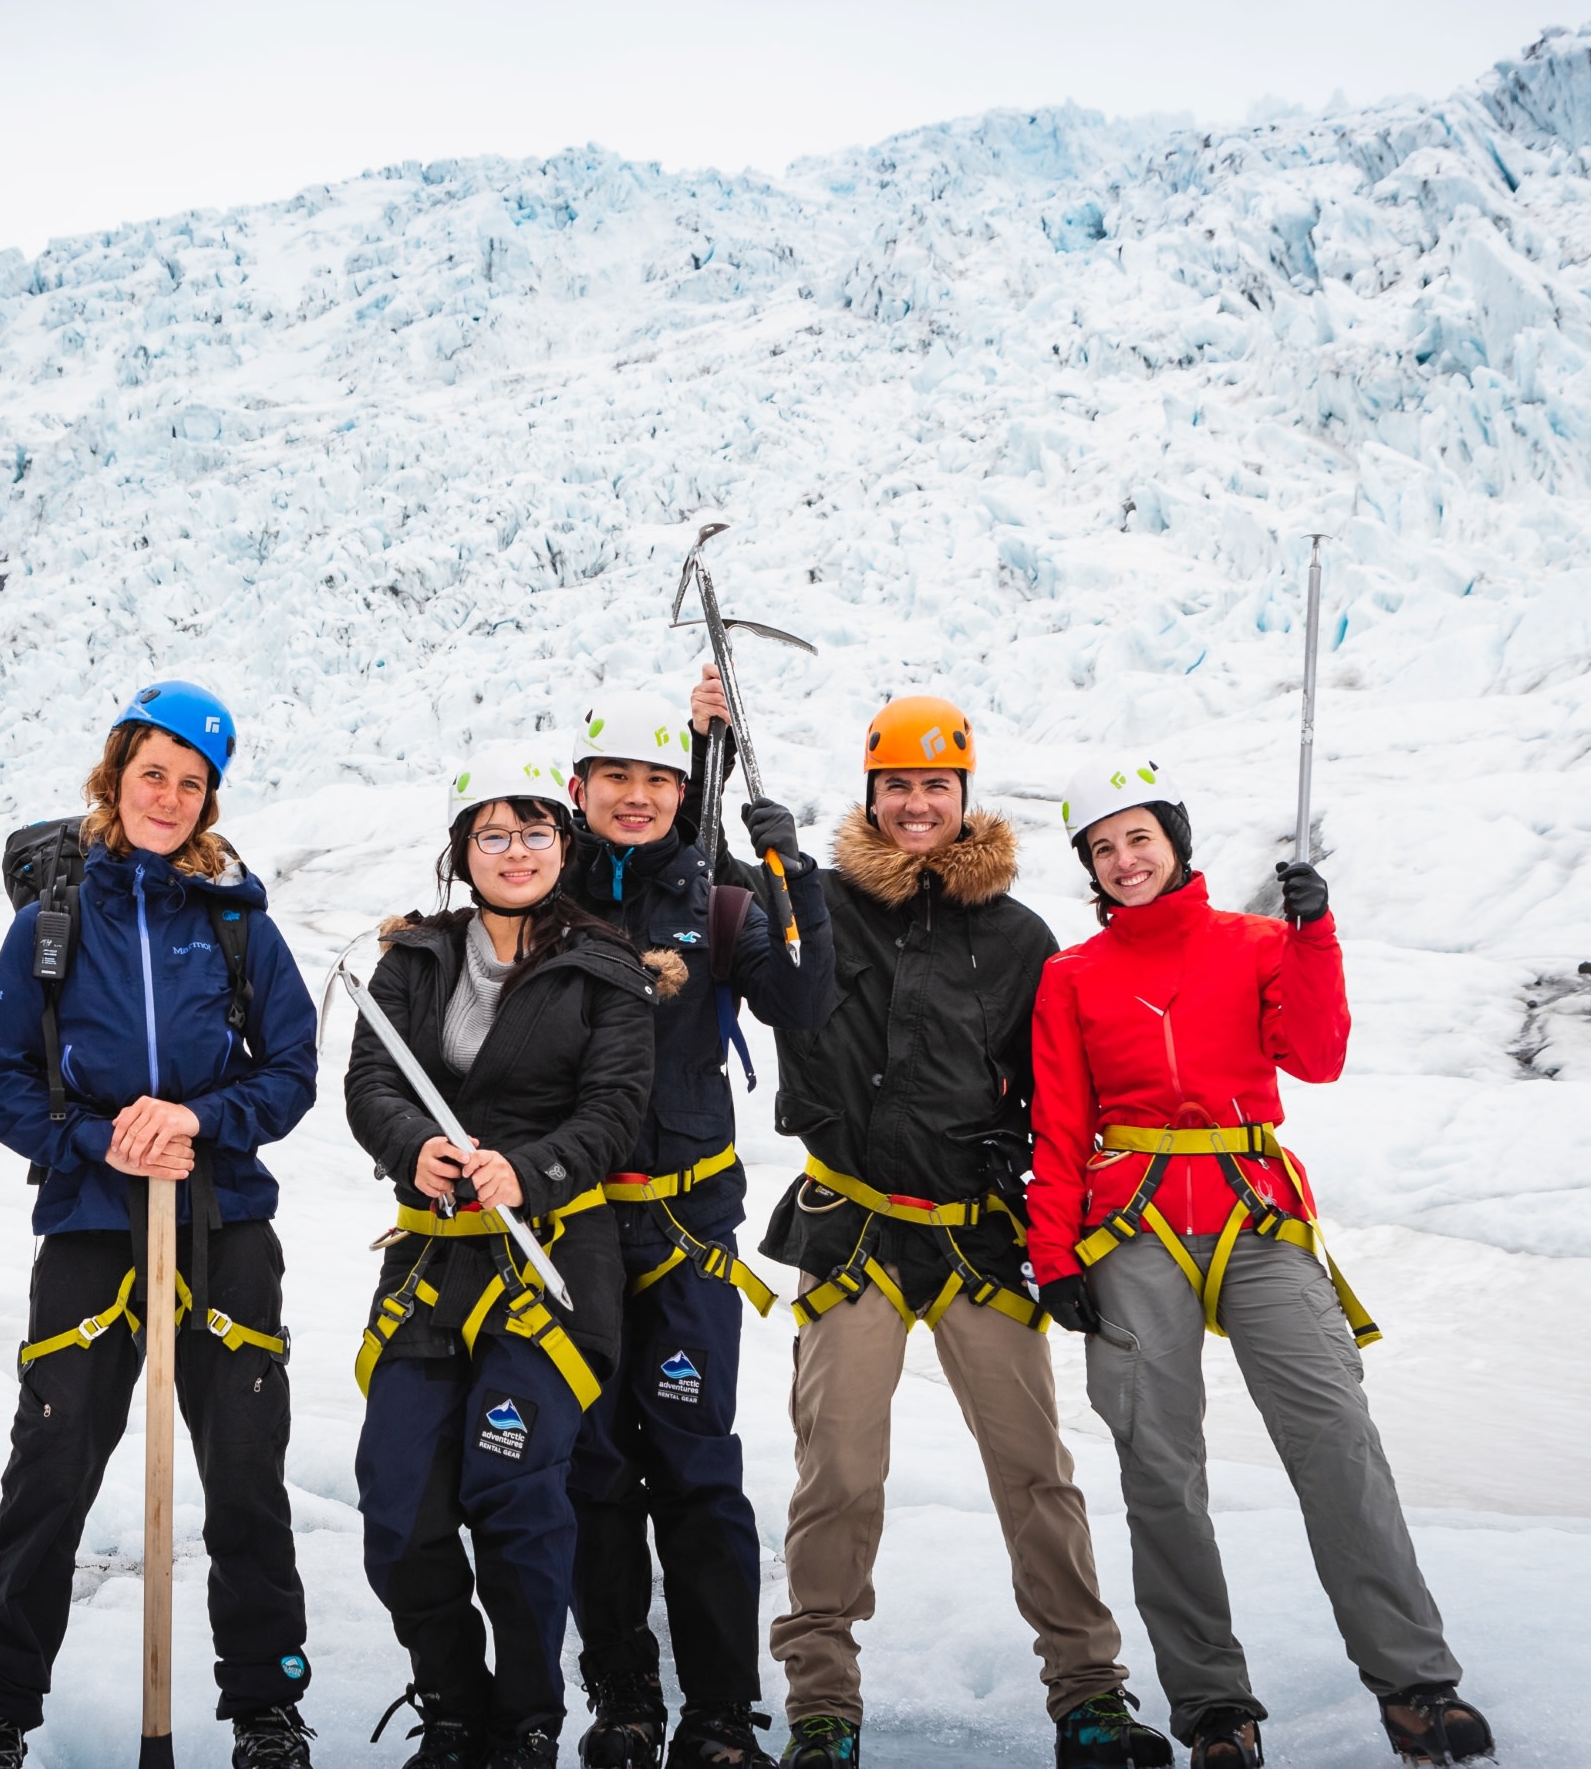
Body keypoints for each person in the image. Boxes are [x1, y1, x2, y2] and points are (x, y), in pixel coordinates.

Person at [1027, 758, 1494, 1769]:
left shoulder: (1257, 944)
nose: (1122, 860)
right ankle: (1211, 1708)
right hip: (1130, 1224)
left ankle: (1415, 1684)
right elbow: (1058, 1125)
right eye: (1101, 849)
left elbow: (1316, 1054)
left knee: (1334, 1435)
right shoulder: (1068, 978)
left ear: (1174, 841)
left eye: (1137, 837)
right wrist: (1051, 1253)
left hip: (1254, 1213)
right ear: (1089, 869)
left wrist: (1314, 937)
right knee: (1158, 1464)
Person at [760, 699, 1169, 1769]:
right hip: (850, 1225)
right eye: (894, 784)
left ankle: (1088, 1691)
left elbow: (1058, 1102)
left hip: (976, 1238)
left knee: (1033, 1469)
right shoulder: (815, 907)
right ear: (868, 793)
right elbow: (725, 938)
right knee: (837, 1471)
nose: (914, 803)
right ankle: (820, 1704)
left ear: (963, 795)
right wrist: (726, 789)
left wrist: (1066, 1240)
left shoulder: (1017, 935)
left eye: (934, 785)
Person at [0, 682, 323, 1769]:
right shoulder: (49, 923)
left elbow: (290, 1073)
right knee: (50, 1468)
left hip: (224, 1219)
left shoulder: (240, 925)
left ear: (209, 799)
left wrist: (198, 1118)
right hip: (87, 1222)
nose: (167, 795)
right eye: (150, 772)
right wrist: (99, 1139)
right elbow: (2, 1076)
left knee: (246, 1470)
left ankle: (266, 1706)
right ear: (115, 775)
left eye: (190, 781)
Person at [346, 747, 669, 1769]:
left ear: (560, 842)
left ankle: (525, 1717)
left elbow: (615, 1106)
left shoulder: (606, 967)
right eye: (493, 832)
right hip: (431, 1264)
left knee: (515, 1491)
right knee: (398, 1504)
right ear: (462, 849)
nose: (515, 850)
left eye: (534, 831)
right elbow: (370, 1081)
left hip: (550, 1262)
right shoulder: (414, 957)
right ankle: (453, 1703)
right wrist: (414, 1146)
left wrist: (530, 1168)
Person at [561, 682, 836, 1769]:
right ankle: (622, 1694)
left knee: (691, 1463)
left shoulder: (719, 895)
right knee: (589, 1466)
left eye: (658, 779)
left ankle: (720, 1711)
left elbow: (804, 1006)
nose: (636, 797)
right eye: (615, 778)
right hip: (571, 1228)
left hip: (682, 1225)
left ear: (683, 791)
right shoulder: (539, 888)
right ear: (576, 788)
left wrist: (791, 876)